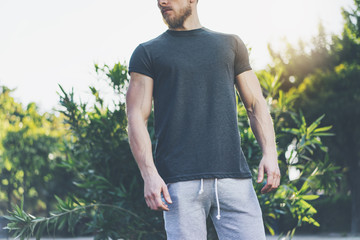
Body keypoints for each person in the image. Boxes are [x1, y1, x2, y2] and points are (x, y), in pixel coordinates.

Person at [126, 0, 281, 239]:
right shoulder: (148, 53)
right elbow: (136, 116)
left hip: (234, 179)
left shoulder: (230, 44)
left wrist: (270, 153)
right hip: (178, 185)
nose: (161, 2)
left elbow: (255, 104)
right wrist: (149, 175)